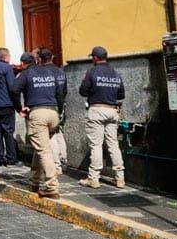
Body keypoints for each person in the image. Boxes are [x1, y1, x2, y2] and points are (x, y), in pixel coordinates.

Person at [12, 46, 66, 199]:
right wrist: (59, 112)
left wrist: (19, 108)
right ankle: (35, 181)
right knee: (40, 147)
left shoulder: (25, 74)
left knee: (43, 151)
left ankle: (51, 186)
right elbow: (60, 94)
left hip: (38, 113)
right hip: (53, 112)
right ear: (36, 60)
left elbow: (14, 90)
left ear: (23, 64)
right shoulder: (50, 72)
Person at [78, 46, 126, 189]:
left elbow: (82, 91)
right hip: (113, 110)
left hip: (97, 110)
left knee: (96, 145)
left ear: (95, 58)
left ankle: (94, 178)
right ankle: (120, 178)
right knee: (113, 144)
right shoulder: (116, 73)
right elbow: (121, 95)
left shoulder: (92, 72)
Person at [36, 48, 68, 175]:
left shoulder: (45, 72)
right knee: (59, 133)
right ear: (52, 57)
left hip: (50, 106)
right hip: (61, 105)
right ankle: (63, 160)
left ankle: (56, 165)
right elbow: (64, 90)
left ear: (40, 59)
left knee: (51, 136)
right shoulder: (60, 71)